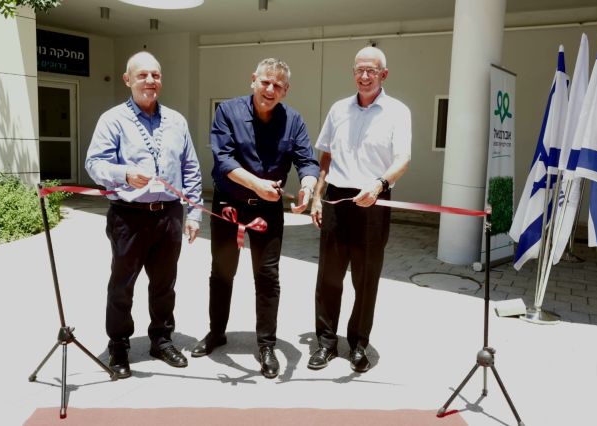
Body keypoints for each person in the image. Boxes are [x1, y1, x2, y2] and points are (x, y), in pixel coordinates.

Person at [191, 58, 319, 379]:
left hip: (268, 209)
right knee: (222, 272)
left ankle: (266, 345)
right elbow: (223, 159)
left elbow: (307, 160)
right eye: (265, 82)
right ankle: (216, 332)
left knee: (267, 276)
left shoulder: (293, 120)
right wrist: (257, 184)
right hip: (229, 205)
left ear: (286, 90)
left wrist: (307, 186)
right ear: (253, 80)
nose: (270, 89)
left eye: (278, 85)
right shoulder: (228, 111)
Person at [85, 51, 203, 379]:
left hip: (169, 215)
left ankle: (161, 340)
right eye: (142, 75)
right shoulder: (113, 120)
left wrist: (194, 214)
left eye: (155, 75)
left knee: (164, 284)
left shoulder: (176, 121)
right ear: (128, 80)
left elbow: (191, 169)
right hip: (129, 216)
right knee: (122, 286)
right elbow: (94, 164)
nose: (150, 81)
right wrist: (123, 173)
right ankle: (119, 346)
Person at [307, 46, 411, 373]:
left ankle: (358, 344)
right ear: (353, 72)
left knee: (365, 279)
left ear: (384, 74)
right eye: (359, 70)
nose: (364, 76)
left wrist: (379, 185)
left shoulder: (397, 111)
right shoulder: (338, 109)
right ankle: (325, 343)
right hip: (336, 199)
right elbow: (326, 155)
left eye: (371, 70)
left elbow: (403, 160)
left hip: (374, 200)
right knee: (329, 277)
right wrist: (317, 197)